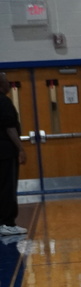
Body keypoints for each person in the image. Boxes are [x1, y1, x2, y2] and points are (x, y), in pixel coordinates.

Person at [0, 73, 27, 236]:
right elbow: (10, 128)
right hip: (4, 152)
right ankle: (7, 223)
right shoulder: (3, 101)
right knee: (7, 188)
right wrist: (21, 149)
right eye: (7, 81)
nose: (10, 84)